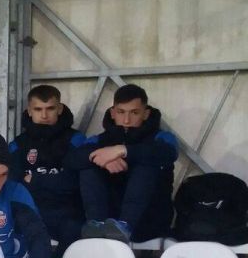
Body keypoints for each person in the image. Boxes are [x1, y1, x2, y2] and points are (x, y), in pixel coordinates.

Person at [66, 84, 179, 243]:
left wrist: (123, 150)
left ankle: (125, 225)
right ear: (113, 113)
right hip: (107, 220)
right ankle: (96, 224)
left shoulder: (161, 138)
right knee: (88, 166)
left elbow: (168, 153)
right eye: (121, 112)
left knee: (146, 164)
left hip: (148, 220)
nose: (126, 120)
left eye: (134, 113)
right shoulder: (99, 140)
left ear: (146, 114)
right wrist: (102, 159)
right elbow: (71, 159)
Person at [8, 85, 87, 255]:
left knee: (76, 229)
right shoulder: (18, 144)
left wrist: (35, 180)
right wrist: (53, 182)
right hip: (30, 208)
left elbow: (74, 181)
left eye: (50, 108)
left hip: (66, 210)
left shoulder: (76, 140)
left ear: (60, 109)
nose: (44, 115)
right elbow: (14, 181)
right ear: (29, 111)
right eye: (38, 109)